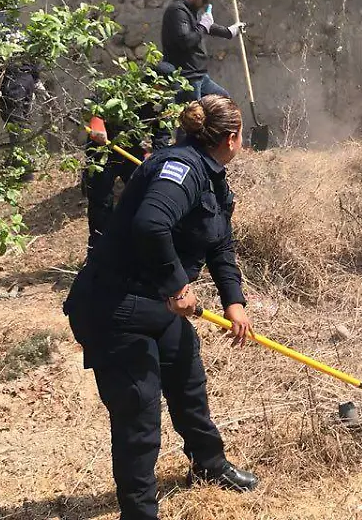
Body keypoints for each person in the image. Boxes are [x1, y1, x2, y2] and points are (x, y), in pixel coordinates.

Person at [64, 95, 259, 520]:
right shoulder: (181, 170)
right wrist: (177, 285)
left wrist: (234, 301)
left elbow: (219, 241)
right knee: (139, 414)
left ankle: (210, 465)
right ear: (231, 138)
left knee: (189, 383)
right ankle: (140, 513)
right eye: (242, 134)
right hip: (115, 305)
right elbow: (150, 224)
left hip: (156, 304)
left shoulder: (212, 174)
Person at [81, 61, 180, 258]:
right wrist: (97, 125)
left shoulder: (164, 102)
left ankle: (136, 244)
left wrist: (156, 159)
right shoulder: (125, 88)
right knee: (101, 201)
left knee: (143, 190)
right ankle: (99, 251)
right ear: (153, 82)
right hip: (103, 148)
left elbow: (161, 135)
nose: (167, 93)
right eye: (164, 87)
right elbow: (95, 106)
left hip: (129, 148)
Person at [161, 0, 245, 102]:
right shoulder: (177, 11)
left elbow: (203, 26)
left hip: (199, 75)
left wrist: (230, 31)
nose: (205, 6)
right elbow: (186, 41)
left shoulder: (191, 9)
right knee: (194, 116)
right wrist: (203, 26)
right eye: (204, 1)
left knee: (223, 101)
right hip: (186, 77)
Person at [0, 12, 41, 182]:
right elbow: (33, 57)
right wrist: (36, 79)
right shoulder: (18, 30)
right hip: (26, 80)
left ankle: (24, 169)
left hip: (13, 83)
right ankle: (19, 160)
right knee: (21, 121)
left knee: (15, 124)